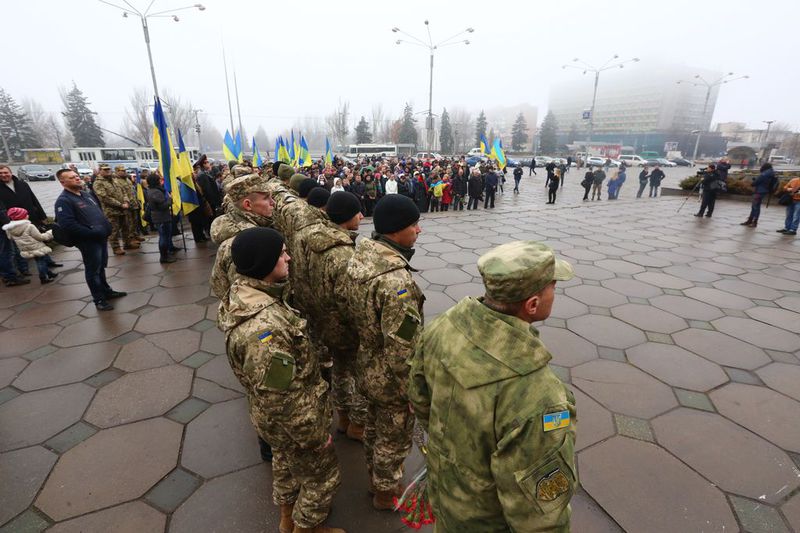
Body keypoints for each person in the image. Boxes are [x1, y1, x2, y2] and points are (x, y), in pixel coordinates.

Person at [408, 240, 577, 532]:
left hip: (447, 496)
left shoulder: (442, 327)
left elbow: (418, 397)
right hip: (488, 521)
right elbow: (540, 514)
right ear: (532, 304)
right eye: (552, 286)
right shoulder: (537, 394)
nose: (554, 293)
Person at [224, 228, 344, 533]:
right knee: (322, 477)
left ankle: (288, 519)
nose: (288, 257)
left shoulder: (250, 295)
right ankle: (308, 528)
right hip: (294, 421)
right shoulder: (265, 329)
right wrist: (314, 436)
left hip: (272, 422)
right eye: (280, 253)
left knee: (285, 466)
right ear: (263, 262)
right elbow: (281, 397)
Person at [344, 194, 424, 510]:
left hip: (365, 363)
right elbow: (403, 348)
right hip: (390, 376)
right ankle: (386, 494)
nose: (418, 230)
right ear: (394, 231)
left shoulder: (360, 257)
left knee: (374, 429)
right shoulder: (396, 281)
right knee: (393, 438)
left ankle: (375, 479)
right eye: (414, 224)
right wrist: (413, 390)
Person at [292, 191, 367, 443]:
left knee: (339, 371)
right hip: (344, 326)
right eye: (357, 212)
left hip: (320, 321)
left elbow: (299, 278)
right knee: (359, 375)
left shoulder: (308, 238)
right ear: (347, 217)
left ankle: (343, 416)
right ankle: (358, 423)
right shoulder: (343, 253)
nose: (362, 216)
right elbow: (350, 301)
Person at [54, 169, 126, 311]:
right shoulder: (64, 201)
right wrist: (91, 233)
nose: (76, 178)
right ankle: (99, 299)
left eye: (76, 176)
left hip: (100, 238)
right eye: (72, 177)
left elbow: (99, 212)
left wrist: (106, 228)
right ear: (63, 182)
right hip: (88, 241)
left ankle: (106, 291)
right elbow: (68, 225)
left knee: (100, 268)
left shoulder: (86, 195)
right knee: (93, 270)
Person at [2, 207, 57, 284]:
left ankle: (49, 273)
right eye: (26, 214)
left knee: (40, 260)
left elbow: (10, 237)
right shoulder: (29, 226)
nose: (28, 215)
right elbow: (40, 237)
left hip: (25, 249)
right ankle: (43, 277)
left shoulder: (9, 228)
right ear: (22, 217)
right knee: (41, 261)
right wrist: (50, 233)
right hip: (36, 247)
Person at [92, 164, 134, 255]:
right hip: (111, 211)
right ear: (100, 170)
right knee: (113, 230)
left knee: (125, 227)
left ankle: (127, 243)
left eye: (108, 169)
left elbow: (124, 192)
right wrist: (120, 204)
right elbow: (104, 197)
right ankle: (116, 248)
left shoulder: (114, 180)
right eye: (105, 169)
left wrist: (126, 201)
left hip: (123, 208)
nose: (108, 171)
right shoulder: (98, 183)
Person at [145, 174, 179, 263]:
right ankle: (164, 257)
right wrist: (170, 200)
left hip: (161, 217)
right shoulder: (156, 192)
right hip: (161, 218)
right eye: (158, 180)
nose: (160, 181)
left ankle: (167, 253)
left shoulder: (152, 190)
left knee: (166, 236)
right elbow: (162, 205)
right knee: (163, 237)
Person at [741, 163, 777, 227]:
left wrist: (752, 183)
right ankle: (751, 220)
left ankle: (754, 221)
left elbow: (756, 182)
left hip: (759, 191)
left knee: (755, 207)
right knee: (756, 206)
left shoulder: (764, 174)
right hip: (764, 191)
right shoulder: (771, 173)